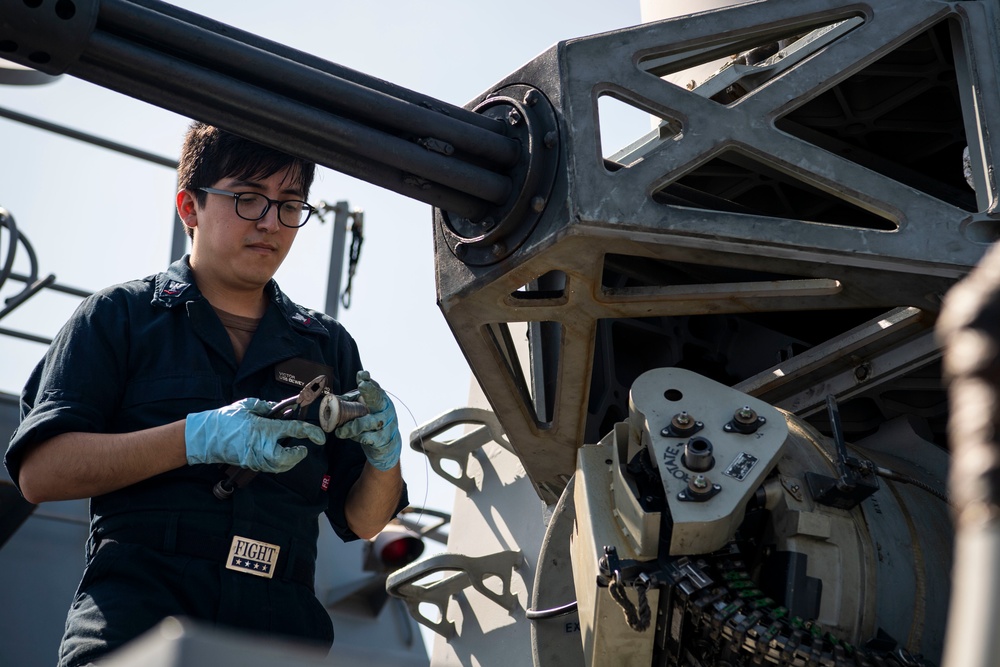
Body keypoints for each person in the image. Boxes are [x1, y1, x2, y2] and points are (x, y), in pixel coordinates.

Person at [4, 122, 407, 667]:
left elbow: (363, 522)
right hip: (139, 628)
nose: (271, 223)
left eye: (291, 205)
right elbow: (40, 473)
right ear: (189, 206)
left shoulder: (328, 346)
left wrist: (385, 461)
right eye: (248, 199)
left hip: (281, 637)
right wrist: (197, 437)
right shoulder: (120, 318)